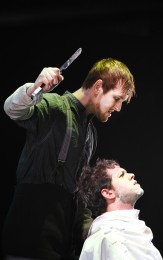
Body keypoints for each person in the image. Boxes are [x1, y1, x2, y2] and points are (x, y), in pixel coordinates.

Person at [2, 57, 135, 260]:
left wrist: (97, 232)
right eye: (117, 98)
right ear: (99, 86)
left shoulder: (90, 133)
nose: (118, 108)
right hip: (29, 243)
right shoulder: (56, 107)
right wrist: (33, 89)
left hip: (62, 246)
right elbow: (13, 109)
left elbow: (77, 192)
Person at [78, 158, 163, 260]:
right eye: (121, 175)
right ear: (108, 193)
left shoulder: (137, 233)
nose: (131, 175)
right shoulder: (105, 238)